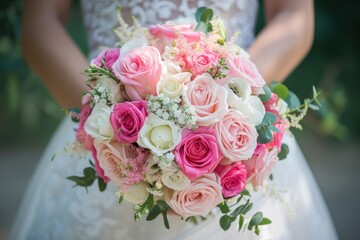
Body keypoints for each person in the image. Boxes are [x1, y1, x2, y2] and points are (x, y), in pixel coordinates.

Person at [11, 0, 338, 239]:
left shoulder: (235, 114)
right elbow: (40, 26)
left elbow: (295, 17)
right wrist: (106, 120)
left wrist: (235, 105)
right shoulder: (108, 127)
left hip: (239, 136)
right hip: (108, 137)